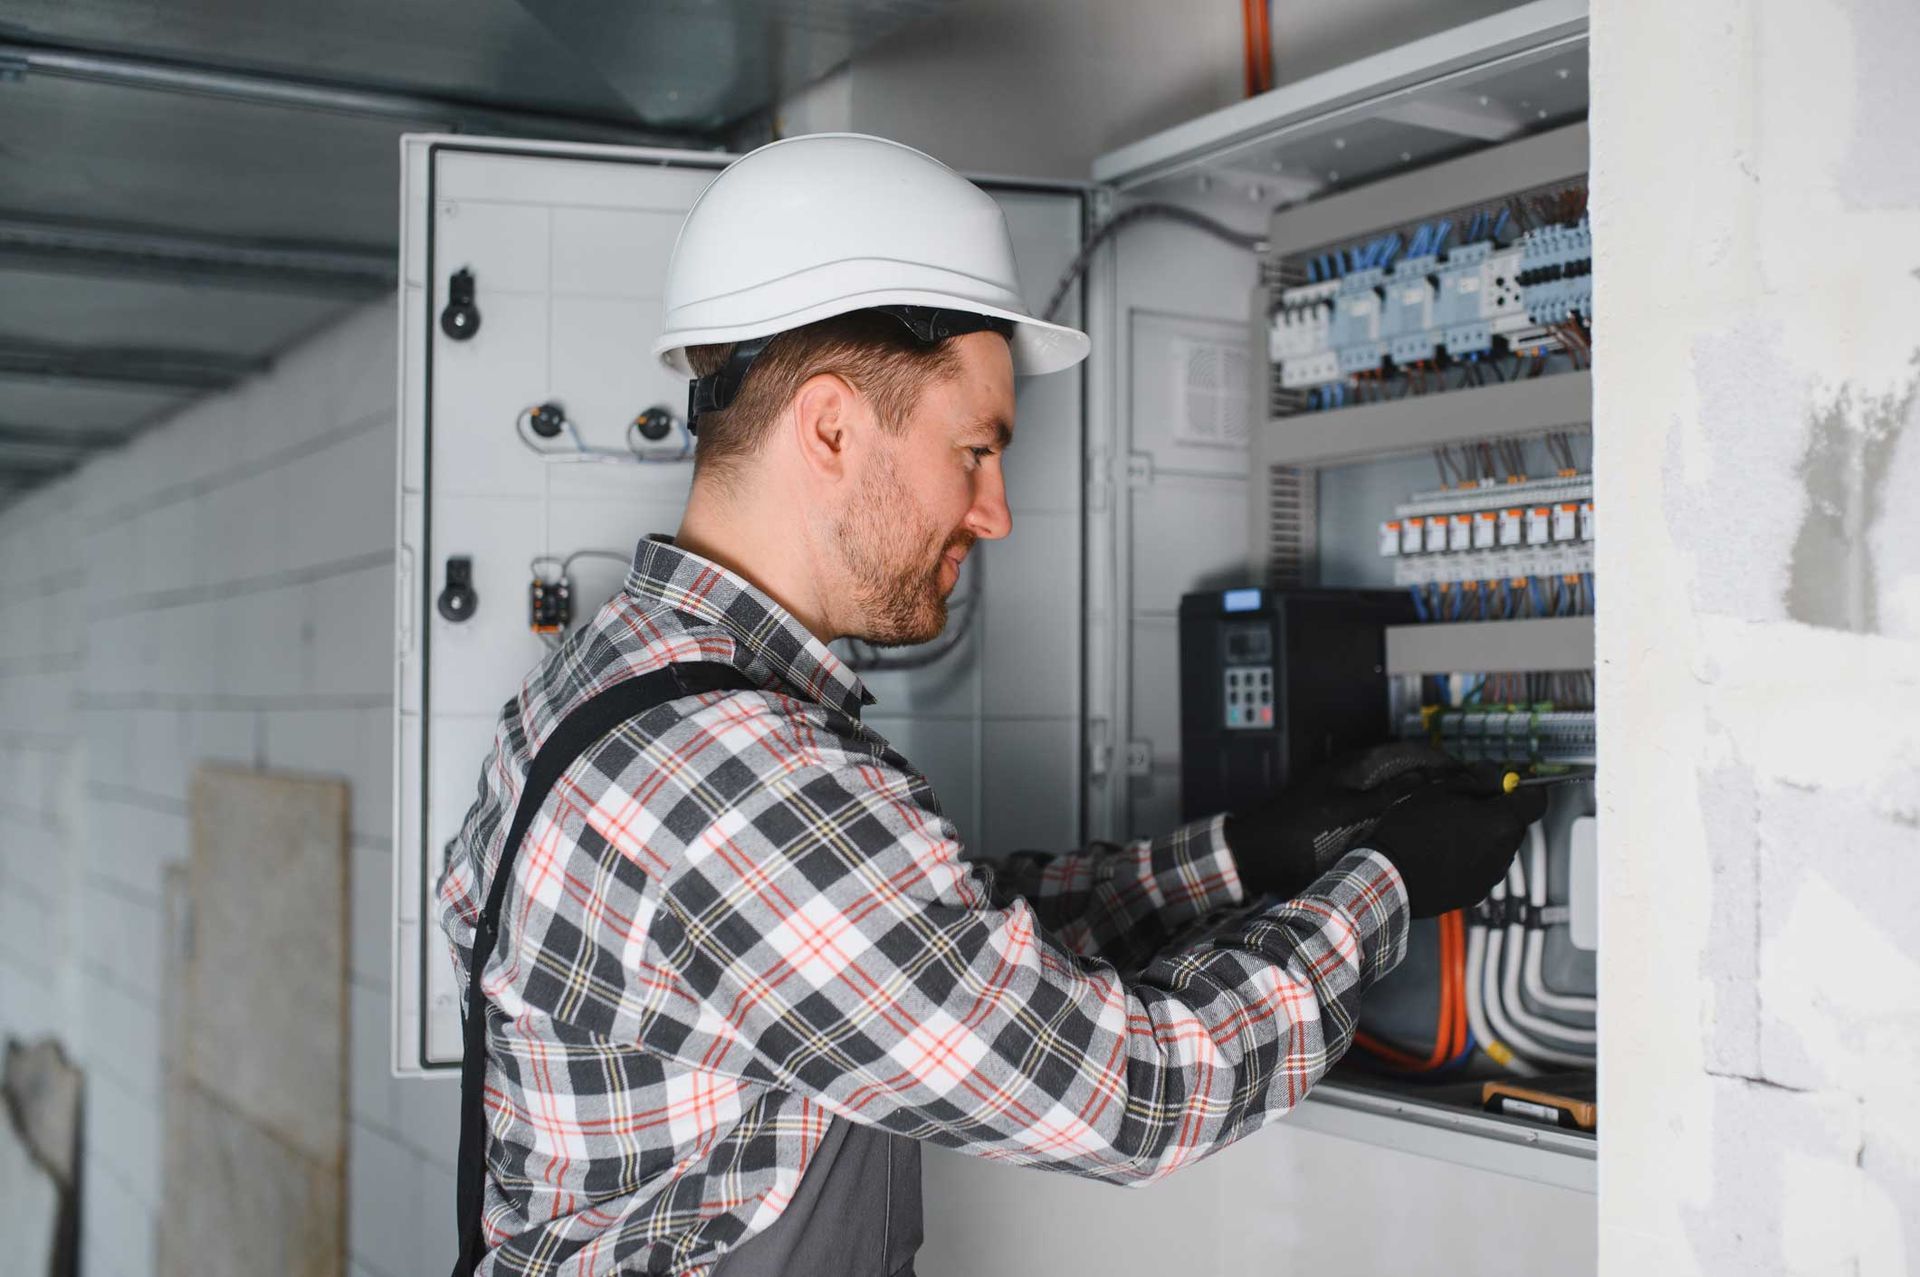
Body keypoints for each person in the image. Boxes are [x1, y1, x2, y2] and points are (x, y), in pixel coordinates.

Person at [435, 132, 1543, 1277]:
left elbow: (930, 947)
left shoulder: (618, 682)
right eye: (975, 449)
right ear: (829, 429)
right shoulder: (738, 777)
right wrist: (1388, 886)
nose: (995, 510)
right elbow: (1139, 1094)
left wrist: (1249, 854)